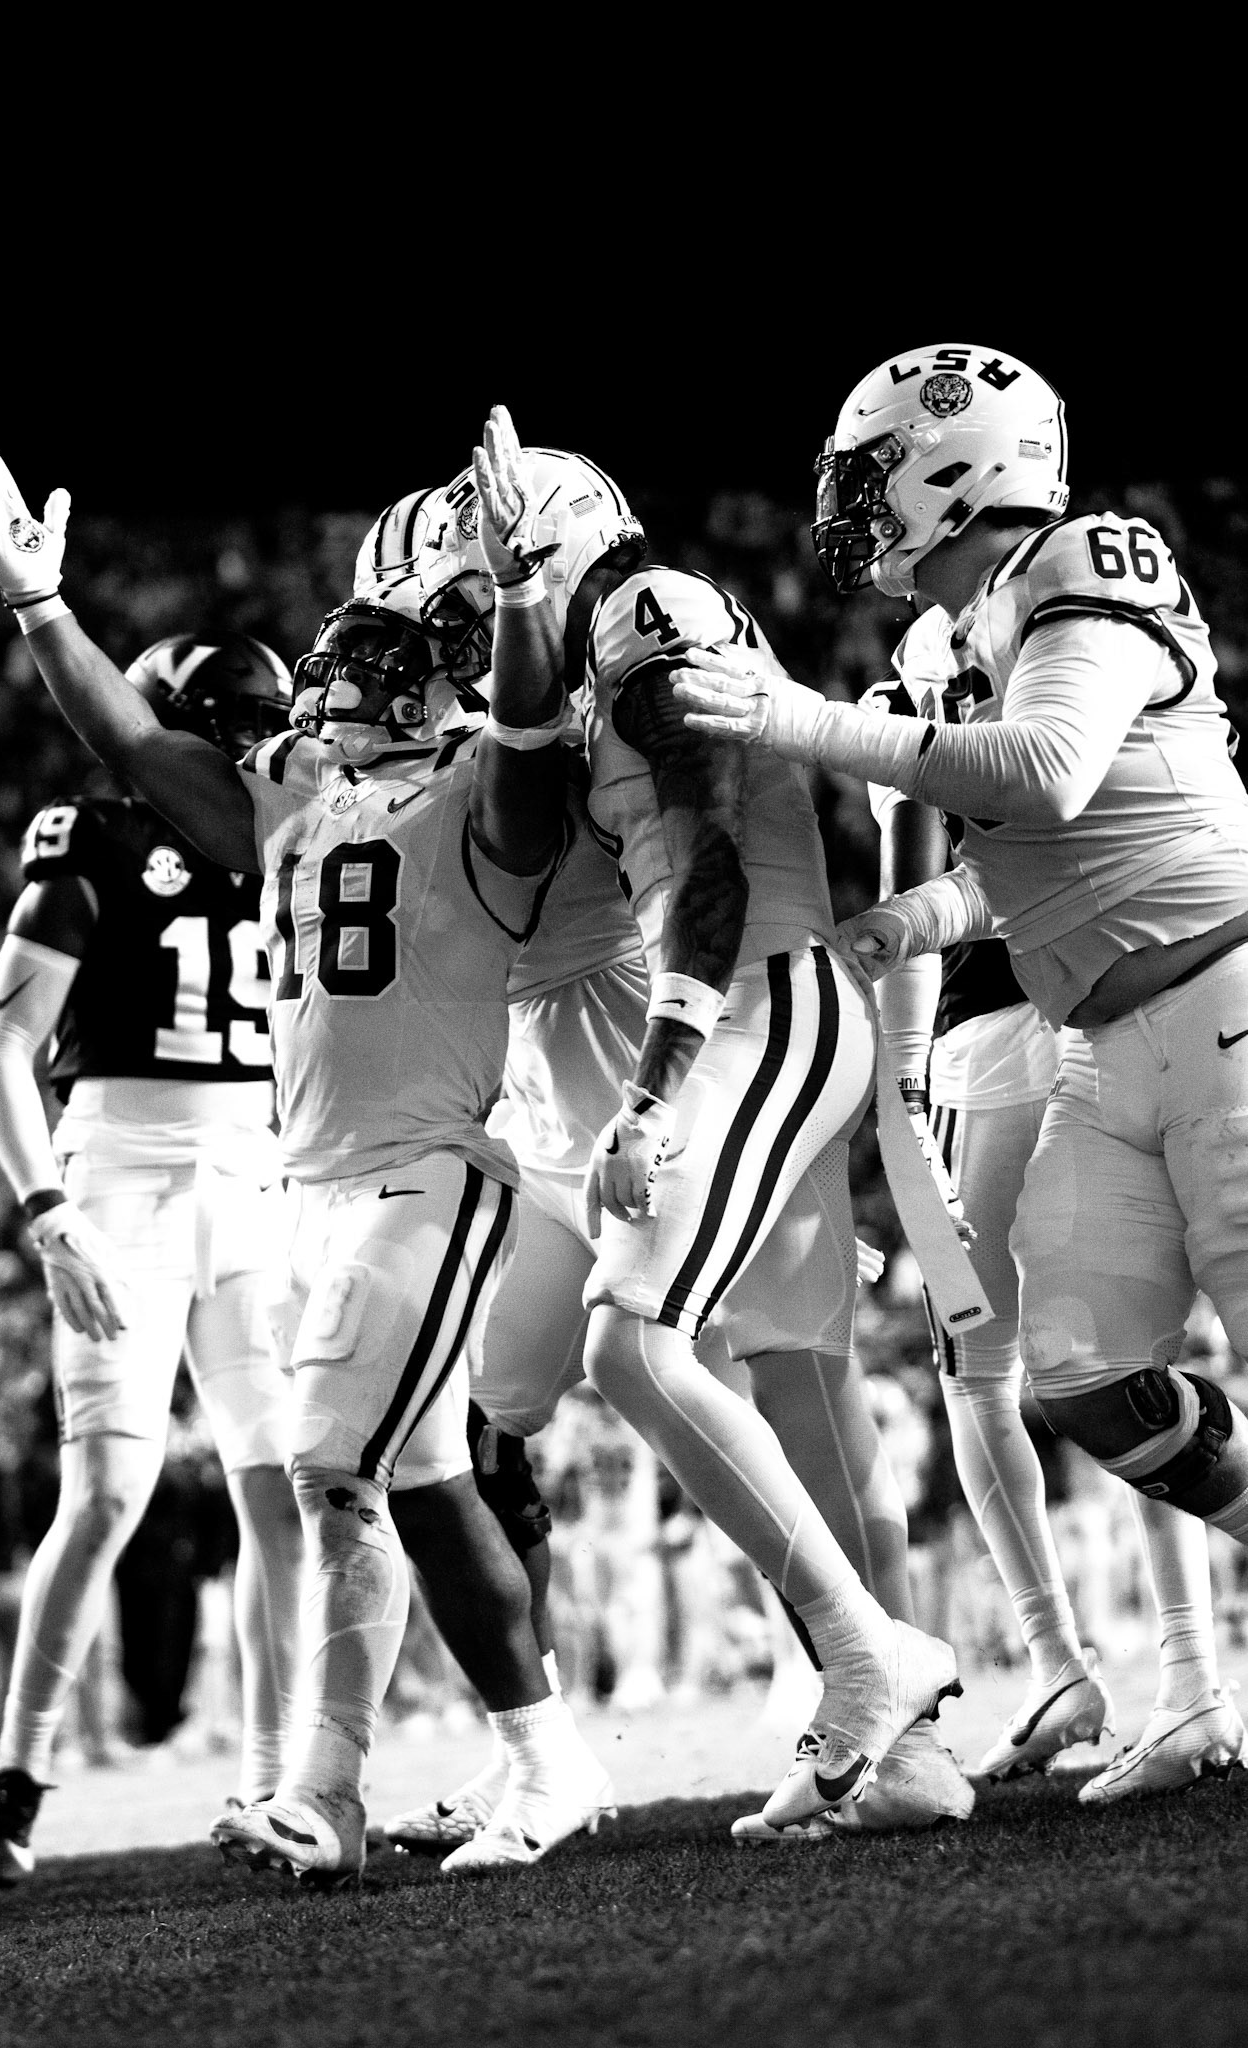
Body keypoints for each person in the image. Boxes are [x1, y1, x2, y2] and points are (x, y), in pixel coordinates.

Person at [0, 442, 611, 1887]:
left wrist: (518, 599)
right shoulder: (294, 797)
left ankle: (343, 1785)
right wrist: (42, 611)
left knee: (328, 1465)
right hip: (308, 1187)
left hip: (431, 1172)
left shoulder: (482, 789)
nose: (329, 688)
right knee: (412, 1486)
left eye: (369, 668)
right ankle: (503, 1762)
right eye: (331, 666)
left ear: (430, 693)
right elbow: (137, 749)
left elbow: (522, 742)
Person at [674, 345, 1248, 1803]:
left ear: (955, 465)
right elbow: (1052, 860)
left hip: (1222, 1003)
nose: (855, 509)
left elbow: (1048, 771)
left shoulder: (1079, 563)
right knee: (1078, 1371)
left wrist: (793, 715)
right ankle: (1176, 1682)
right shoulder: (977, 631)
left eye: (873, 477)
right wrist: (912, 919)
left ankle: (1164, 1675)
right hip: (1103, 1041)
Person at [402, 410, 962, 1836]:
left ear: (554, 549)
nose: (474, 629)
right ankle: (902, 1756)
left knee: (638, 1340)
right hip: (753, 1004)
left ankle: (868, 1661)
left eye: (488, 587)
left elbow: (707, 864)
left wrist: (653, 1088)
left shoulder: (645, 611)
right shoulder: (605, 653)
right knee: (796, 1376)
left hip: (761, 1002)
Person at [861, 603, 1238, 1798]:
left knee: (976, 1371)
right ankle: (1191, 1674)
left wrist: (900, 1090)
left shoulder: (921, 689)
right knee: (1137, 1356)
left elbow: (914, 908)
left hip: (985, 1042)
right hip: (1124, 1008)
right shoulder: (1093, 650)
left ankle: (1060, 1663)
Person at [0, 632, 306, 1887]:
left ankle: (274, 1781)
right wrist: (51, 1212)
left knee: (286, 1488)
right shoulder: (98, 840)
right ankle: (19, 1766)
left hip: (259, 1177)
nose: (259, 753)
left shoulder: (300, 836)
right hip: (122, 1174)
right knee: (108, 1489)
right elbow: (4, 1046)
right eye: (236, 729)